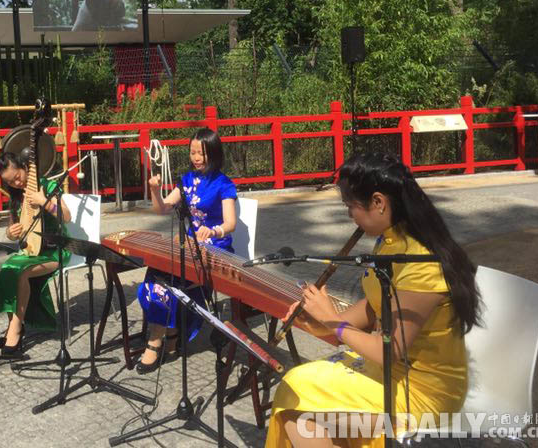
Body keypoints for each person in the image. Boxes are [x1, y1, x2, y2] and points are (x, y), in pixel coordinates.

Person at [265, 153, 481, 448]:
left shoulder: (421, 262)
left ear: (378, 202)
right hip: (392, 371)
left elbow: (389, 349)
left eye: (351, 206)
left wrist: (332, 320)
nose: (349, 214)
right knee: (300, 388)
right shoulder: (390, 241)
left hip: (423, 392)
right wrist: (315, 323)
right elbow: (372, 308)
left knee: (298, 395)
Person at [136, 127, 237, 373]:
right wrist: (154, 190)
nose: (195, 158)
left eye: (200, 153)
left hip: (214, 246)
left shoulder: (224, 184)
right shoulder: (187, 180)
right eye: (192, 152)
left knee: (164, 278)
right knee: (156, 274)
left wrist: (213, 232)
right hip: (190, 245)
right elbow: (163, 209)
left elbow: (230, 223)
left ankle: (156, 340)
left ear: (213, 152)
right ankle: (168, 333)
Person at [0, 152, 70, 355]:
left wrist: (45, 202)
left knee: (21, 272)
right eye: (10, 182)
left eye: (17, 177)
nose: (16, 183)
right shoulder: (16, 195)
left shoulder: (47, 186)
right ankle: (16, 326)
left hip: (55, 250)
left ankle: (14, 330)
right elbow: (13, 231)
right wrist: (10, 233)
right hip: (31, 250)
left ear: (25, 167)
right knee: (8, 267)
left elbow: (67, 217)